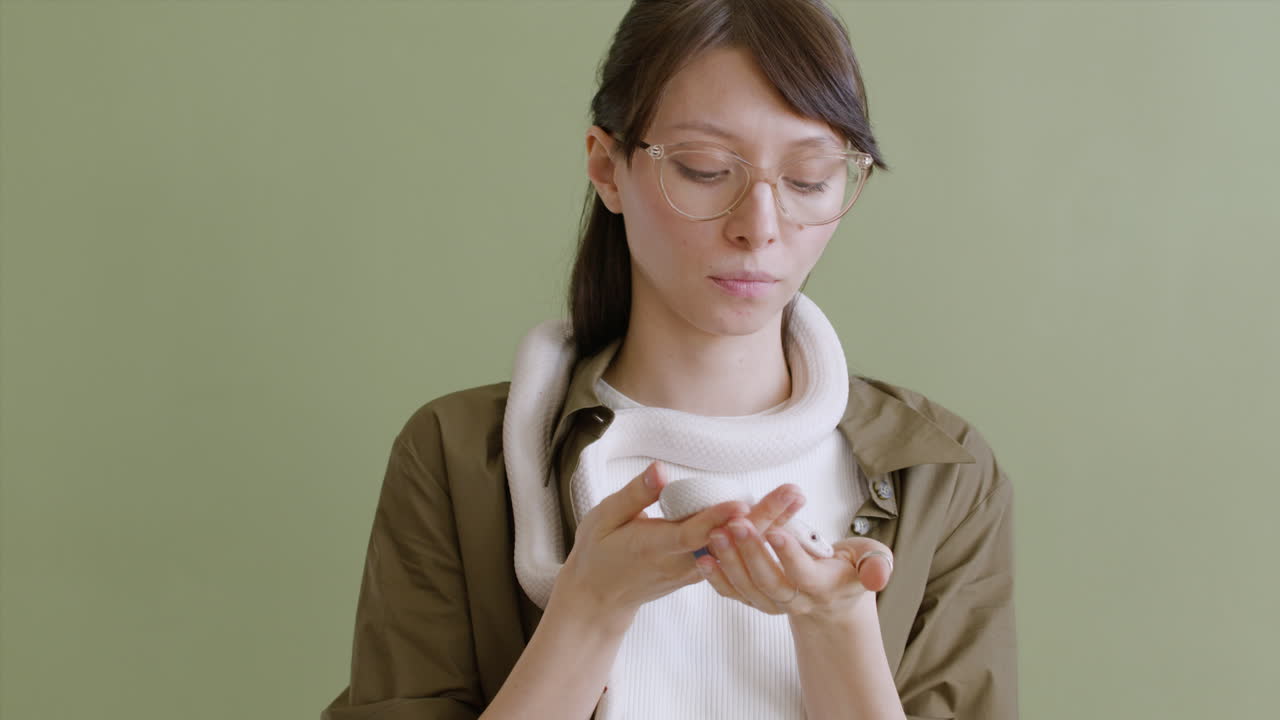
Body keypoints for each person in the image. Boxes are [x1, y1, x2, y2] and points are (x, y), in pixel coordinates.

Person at [321, 1, 1017, 718]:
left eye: (809, 179)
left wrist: (836, 625)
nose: (760, 227)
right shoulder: (458, 458)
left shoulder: (940, 473)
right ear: (607, 166)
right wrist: (588, 610)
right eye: (705, 169)